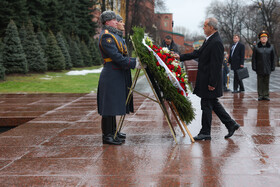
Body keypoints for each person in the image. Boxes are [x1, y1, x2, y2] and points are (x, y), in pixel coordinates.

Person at [174, 18, 240, 140]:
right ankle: (231, 124)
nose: (203, 28)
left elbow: (216, 64)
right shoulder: (209, 40)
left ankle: (206, 132)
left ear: (211, 27)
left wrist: (212, 83)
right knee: (212, 103)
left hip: (209, 80)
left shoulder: (216, 42)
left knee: (206, 104)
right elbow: (198, 53)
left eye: (205, 26)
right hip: (206, 79)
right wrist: (180, 57)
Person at [97, 11, 140, 145]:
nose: (117, 22)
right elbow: (116, 57)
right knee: (108, 106)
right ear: (107, 22)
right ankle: (107, 136)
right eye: (114, 20)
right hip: (111, 73)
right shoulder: (106, 37)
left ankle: (113, 131)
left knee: (113, 104)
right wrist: (134, 63)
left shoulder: (113, 35)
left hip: (117, 73)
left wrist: (135, 60)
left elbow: (122, 56)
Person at [252, 30, 275, 101]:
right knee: (260, 82)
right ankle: (260, 95)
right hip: (259, 67)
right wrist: (254, 66)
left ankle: (266, 95)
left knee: (266, 82)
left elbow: (273, 58)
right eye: (262, 37)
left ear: (267, 38)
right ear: (260, 39)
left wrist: (272, 66)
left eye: (265, 37)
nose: (264, 38)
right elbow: (254, 58)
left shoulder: (271, 47)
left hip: (267, 67)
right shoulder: (256, 47)